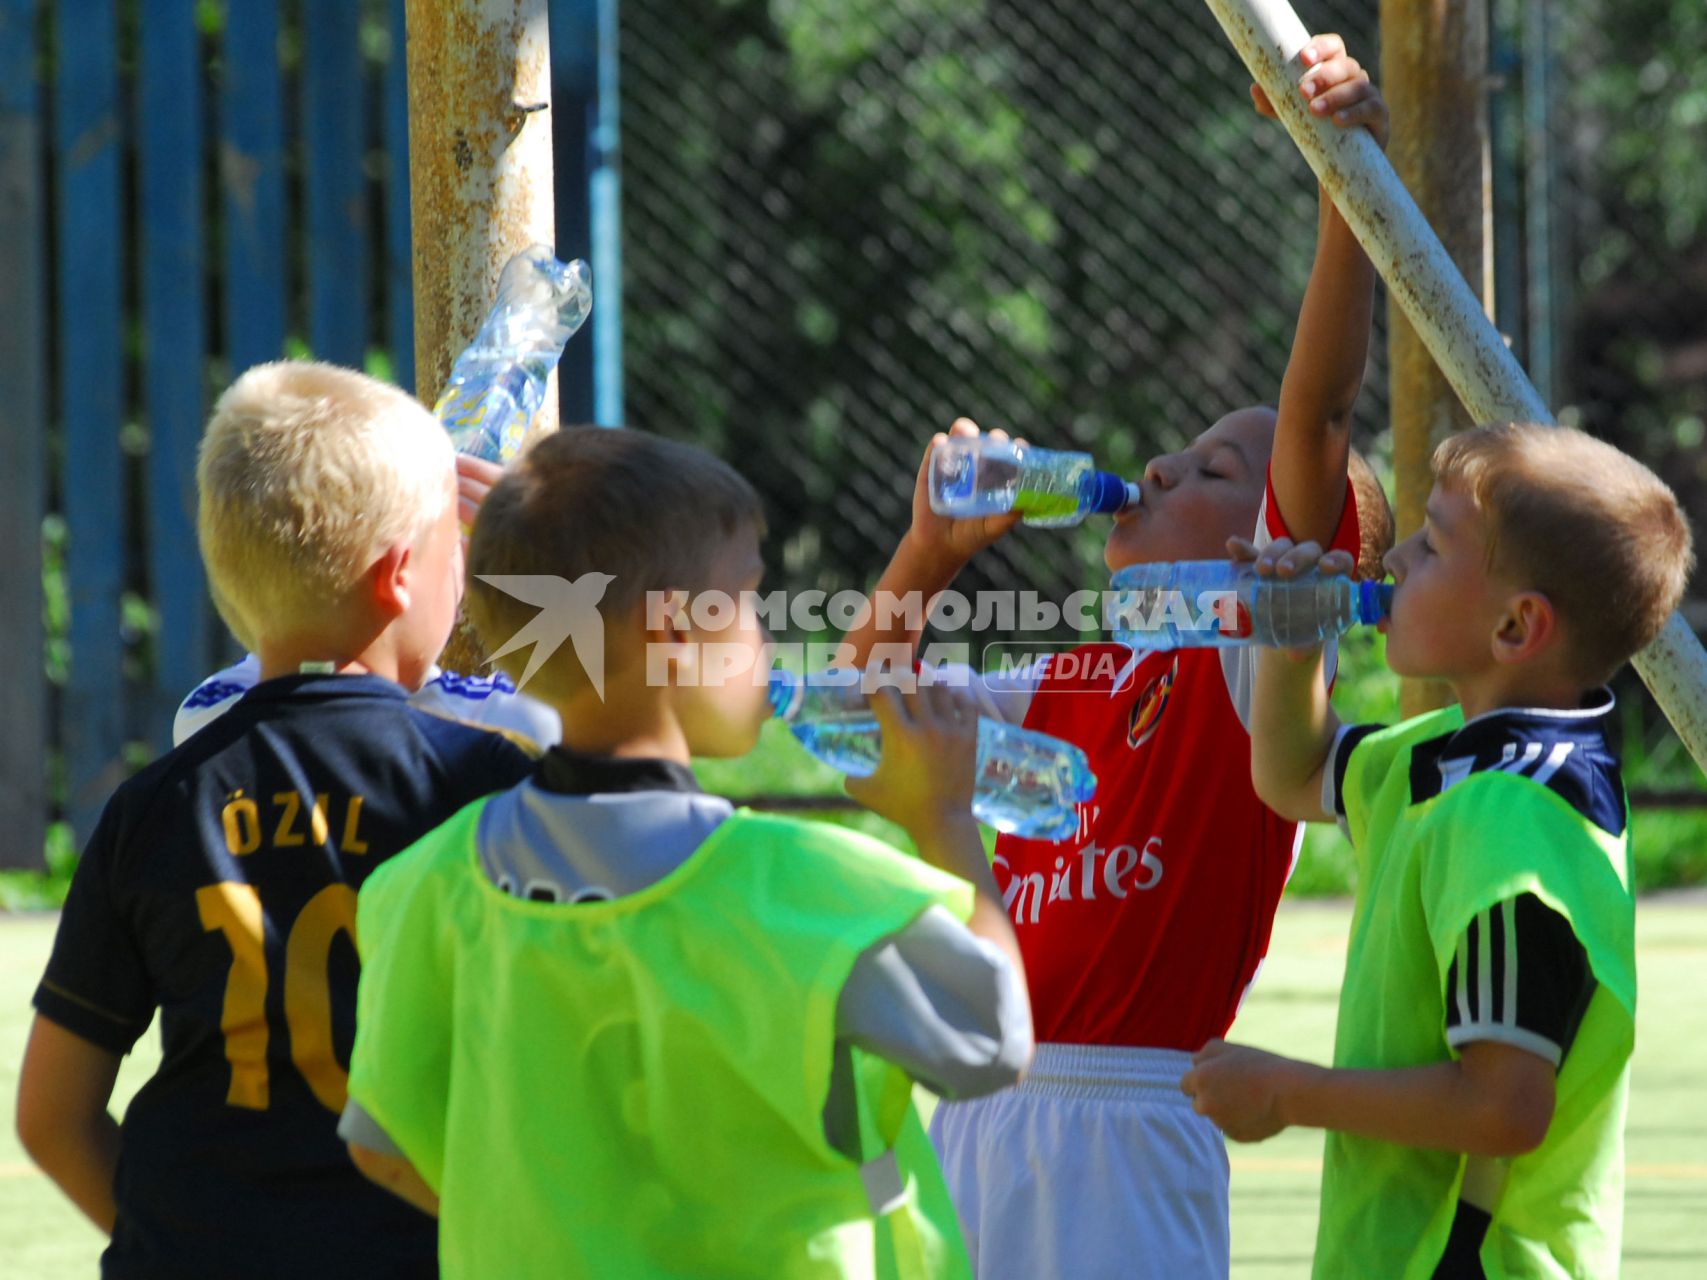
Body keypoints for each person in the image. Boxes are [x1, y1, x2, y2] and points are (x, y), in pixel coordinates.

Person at [836, 34, 1392, 1278]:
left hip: (1130, 1130)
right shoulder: (1071, 681)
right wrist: (925, 554)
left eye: (1214, 472)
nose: (1156, 469)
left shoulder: (1249, 657)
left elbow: (1317, 415)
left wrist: (1344, 184)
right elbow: (850, 723)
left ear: (1275, 547)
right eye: (1175, 450)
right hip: (975, 1109)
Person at [340, 426, 1034, 1278]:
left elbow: (383, 1147)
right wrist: (945, 822)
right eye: (746, 599)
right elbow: (992, 1037)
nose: (766, 636)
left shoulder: (420, 885)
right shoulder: (811, 891)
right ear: (674, 629)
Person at [15, 361, 538, 1278]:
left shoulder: (153, 806)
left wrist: (169, 1250)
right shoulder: (482, 785)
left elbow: (50, 1116)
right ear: (401, 576)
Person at [1181, 423, 1693, 1278]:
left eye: (1432, 544)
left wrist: (1286, 1090)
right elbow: (1291, 770)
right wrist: (1288, 641)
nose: (1393, 563)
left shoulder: (1514, 819)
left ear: (1514, 626)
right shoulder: (1450, 757)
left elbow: (1503, 1108)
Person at [173, 454, 563, 748]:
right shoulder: (504, 726)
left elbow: (289, 647)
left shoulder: (209, 716)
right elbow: (587, 715)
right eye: (450, 550)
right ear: (398, 577)